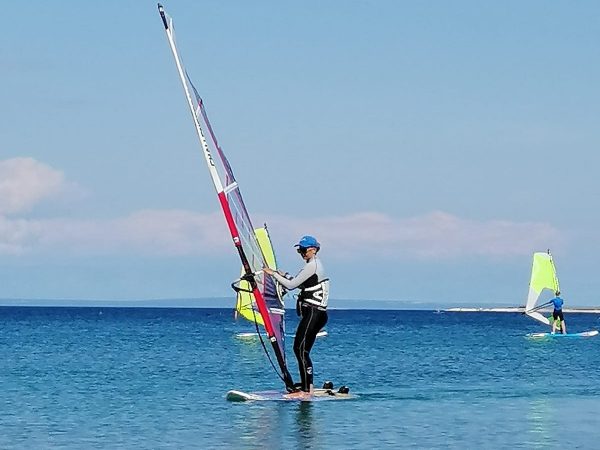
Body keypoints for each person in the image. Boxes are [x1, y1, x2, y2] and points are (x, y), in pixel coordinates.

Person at [263, 235, 329, 399]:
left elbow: (291, 286)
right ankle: (309, 386)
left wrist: (272, 274)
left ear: (313, 250)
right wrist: (283, 274)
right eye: (299, 250)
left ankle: (306, 391)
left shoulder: (313, 265)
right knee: (303, 350)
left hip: (314, 313)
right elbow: (299, 282)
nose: (301, 253)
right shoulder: (312, 266)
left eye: (303, 250)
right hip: (316, 314)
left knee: (300, 349)